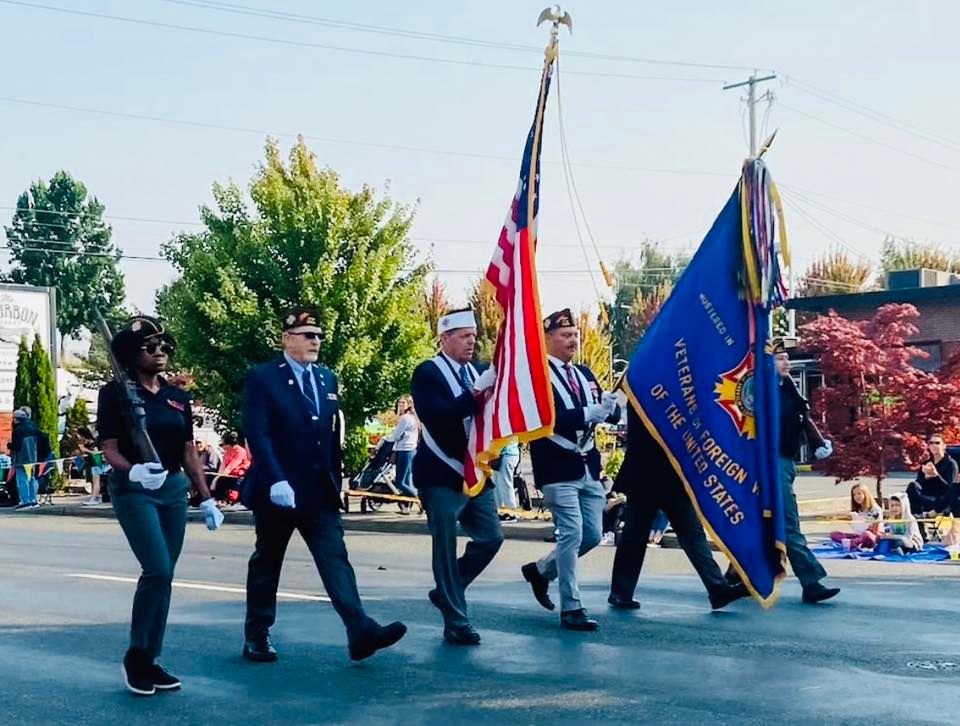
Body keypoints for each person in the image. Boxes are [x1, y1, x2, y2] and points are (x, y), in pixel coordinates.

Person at [241, 306, 406, 664]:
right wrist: (275, 477)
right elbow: (258, 432)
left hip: (318, 489)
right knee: (268, 562)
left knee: (335, 559)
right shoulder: (264, 377)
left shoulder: (326, 378)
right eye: (307, 335)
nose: (315, 341)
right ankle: (257, 634)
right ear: (287, 339)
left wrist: (338, 480)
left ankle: (360, 630)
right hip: (278, 490)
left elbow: (330, 437)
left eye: (318, 336)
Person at [96, 315, 224, 696]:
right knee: (157, 568)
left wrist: (206, 497)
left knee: (166, 576)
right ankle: (136, 656)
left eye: (165, 346)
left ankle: (150, 658)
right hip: (135, 490)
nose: (161, 352)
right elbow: (109, 448)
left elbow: (188, 450)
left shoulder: (176, 397)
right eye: (151, 347)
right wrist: (133, 472)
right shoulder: (115, 393)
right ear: (133, 355)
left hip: (172, 490)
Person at [519, 309, 620, 631]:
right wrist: (591, 411)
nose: (572, 340)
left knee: (592, 534)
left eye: (575, 334)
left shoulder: (585, 374)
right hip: (556, 466)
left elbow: (609, 414)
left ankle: (541, 571)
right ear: (547, 338)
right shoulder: (538, 376)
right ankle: (572, 607)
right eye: (565, 335)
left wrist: (613, 405)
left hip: (587, 466)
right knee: (572, 533)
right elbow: (547, 418)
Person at [411, 307, 502, 645]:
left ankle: (450, 588)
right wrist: (474, 395)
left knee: (492, 538)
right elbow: (439, 416)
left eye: (474, 336)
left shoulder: (478, 371)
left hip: (477, 472)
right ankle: (456, 621)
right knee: (445, 548)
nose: (471, 342)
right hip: (441, 473)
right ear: (444, 338)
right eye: (464, 336)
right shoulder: (428, 373)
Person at [727, 338, 841, 604]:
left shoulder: (788, 390)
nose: (786, 362)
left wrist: (819, 444)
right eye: (780, 359)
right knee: (787, 523)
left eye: (787, 358)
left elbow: (803, 420)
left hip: (786, 463)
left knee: (760, 525)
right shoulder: (764, 395)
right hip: (771, 462)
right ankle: (811, 581)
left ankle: (734, 574)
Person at [608, 408, 750, 611]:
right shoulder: (641, 383)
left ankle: (717, 588)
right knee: (635, 536)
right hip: (645, 472)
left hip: (674, 475)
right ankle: (621, 592)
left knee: (693, 535)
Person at [906, 433, 959, 538]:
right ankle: (919, 530)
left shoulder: (950, 464)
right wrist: (924, 477)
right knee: (912, 486)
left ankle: (926, 517)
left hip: (941, 501)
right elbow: (918, 484)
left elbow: (950, 488)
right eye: (931, 443)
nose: (934, 445)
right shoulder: (927, 463)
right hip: (926, 498)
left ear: (943, 446)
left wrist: (936, 476)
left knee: (953, 490)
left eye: (937, 443)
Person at [383, 395, 419, 503]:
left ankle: (421, 499)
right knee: (408, 481)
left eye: (403, 403)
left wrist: (384, 439)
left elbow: (396, 436)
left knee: (400, 482)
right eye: (399, 403)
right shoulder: (413, 418)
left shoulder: (405, 418)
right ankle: (407, 505)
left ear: (408, 405)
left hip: (405, 450)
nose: (401, 405)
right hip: (412, 450)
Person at [829, 483, 883, 550]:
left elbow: (876, 533)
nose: (857, 496)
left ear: (865, 494)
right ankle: (853, 543)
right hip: (858, 536)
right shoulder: (857, 509)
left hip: (872, 538)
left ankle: (851, 543)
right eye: (854, 495)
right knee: (834, 534)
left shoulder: (875, 510)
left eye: (859, 493)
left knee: (866, 534)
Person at [11, 406, 39, 510]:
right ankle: (33, 500)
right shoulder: (32, 427)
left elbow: (16, 446)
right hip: (33, 458)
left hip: (21, 459)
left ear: (17, 419)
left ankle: (25, 501)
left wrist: (10, 445)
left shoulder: (18, 430)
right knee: (31, 479)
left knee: (22, 480)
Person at [492, 440, 521, 521]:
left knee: (505, 484)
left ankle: (511, 512)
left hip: (506, 454)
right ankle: (500, 511)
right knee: (497, 485)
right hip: (501, 454)